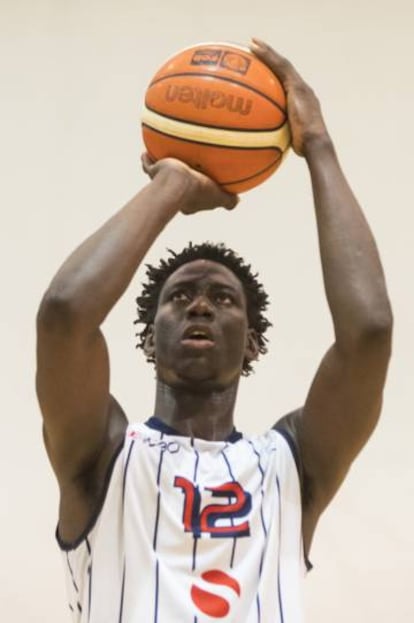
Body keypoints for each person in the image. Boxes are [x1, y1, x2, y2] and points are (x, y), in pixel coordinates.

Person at [36, 39, 392, 622]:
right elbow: (64, 314)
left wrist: (319, 147)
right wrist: (170, 185)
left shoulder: (291, 465)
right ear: (149, 339)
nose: (200, 306)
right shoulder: (100, 453)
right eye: (180, 297)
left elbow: (370, 332)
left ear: (252, 341)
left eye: (222, 299)